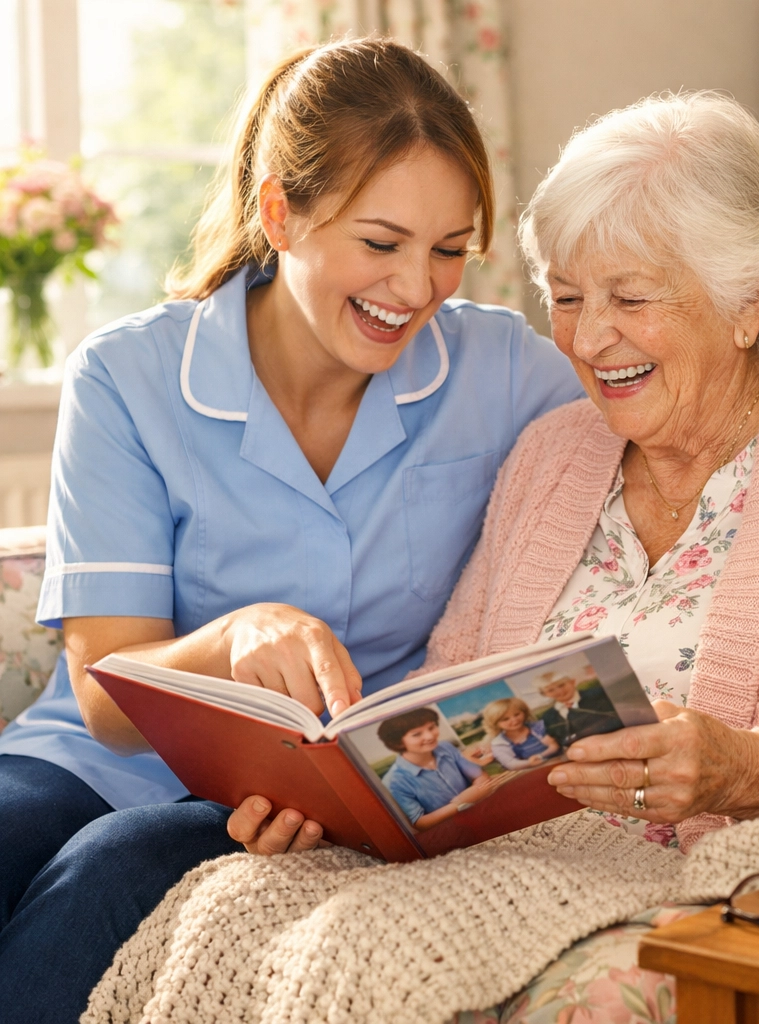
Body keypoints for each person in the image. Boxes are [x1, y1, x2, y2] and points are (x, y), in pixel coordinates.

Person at [0, 46, 759, 1019]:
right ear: (278, 214)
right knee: (83, 852)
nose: (588, 337)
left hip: (516, 838)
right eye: (564, 295)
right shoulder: (550, 442)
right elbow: (435, 678)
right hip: (160, 770)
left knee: (121, 869)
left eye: (447, 250)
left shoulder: (528, 383)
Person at [0, 38, 586, 1023]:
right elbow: (106, 695)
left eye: (450, 248)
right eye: (381, 241)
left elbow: (669, 381)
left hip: (314, 797)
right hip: (99, 756)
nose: (417, 287)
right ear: (281, 213)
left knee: (103, 878)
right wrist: (235, 639)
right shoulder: (131, 377)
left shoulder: (501, 369)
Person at [378, 707, 502, 829]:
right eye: (417, 734)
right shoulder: (394, 781)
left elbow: (480, 776)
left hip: (483, 810)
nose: (430, 736)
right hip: (451, 828)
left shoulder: (445, 747)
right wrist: (459, 803)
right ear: (398, 742)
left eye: (431, 727)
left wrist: (474, 793)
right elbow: (420, 823)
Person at [536, 673, 622, 746]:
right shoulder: (548, 716)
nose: (559, 691)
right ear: (545, 695)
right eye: (550, 690)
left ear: (572, 682)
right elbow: (558, 741)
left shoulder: (599, 695)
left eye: (562, 685)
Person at [483, 696, 561, 769]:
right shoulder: (500, 743)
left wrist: (540, 756)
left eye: (517, 714)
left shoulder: (538, 727)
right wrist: (529, 763)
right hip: (529, 770)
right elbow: (510, 763)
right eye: (506, 719)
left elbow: (555, 746)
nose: (514, 720)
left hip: (556, 761)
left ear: (524, 712)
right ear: (495, 723)